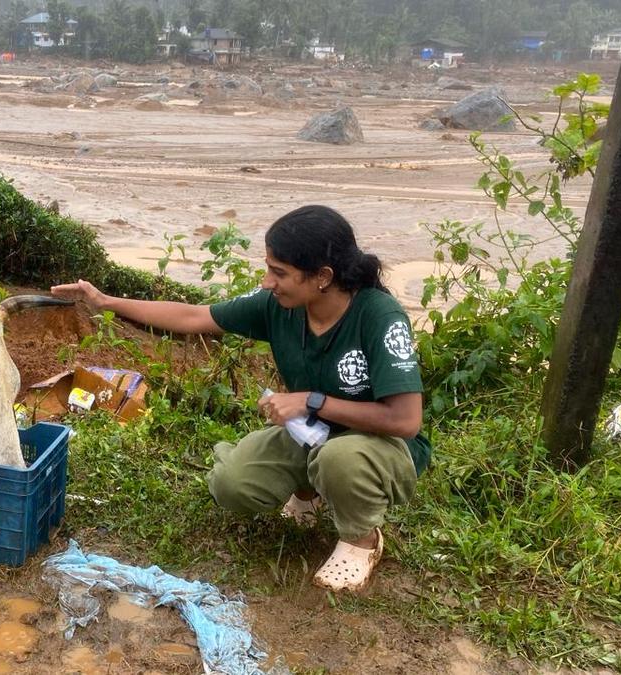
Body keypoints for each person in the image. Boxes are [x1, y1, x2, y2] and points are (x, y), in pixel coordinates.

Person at [51, 205, 431, 592]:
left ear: (322, 277)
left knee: (340, 458)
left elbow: (404, 420)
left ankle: (361, 539)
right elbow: (194, 317)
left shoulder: (380, 317)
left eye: (279, 272)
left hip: (382, 445)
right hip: (312, 434)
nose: (268, 282)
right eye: (268, 268)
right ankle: (309, 492)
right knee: (233, 482)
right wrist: (107, 302)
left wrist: (311, 402)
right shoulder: (279, 306)